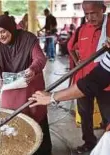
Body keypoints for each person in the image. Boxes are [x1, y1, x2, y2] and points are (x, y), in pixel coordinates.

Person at [0, 15, 52, 155]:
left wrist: (33, 69)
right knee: (13, 123)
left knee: (37, 121)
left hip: (31, 87)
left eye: (3, 31)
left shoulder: (28, 39)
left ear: (11, 28)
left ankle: (43, 151)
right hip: (11, 89)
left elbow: (40, 58)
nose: (1, 36)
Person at [29, 50, 110, 155]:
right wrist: (53, 96)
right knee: (85, 113)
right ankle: (89, 142)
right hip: (85, 78)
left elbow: (93, 82)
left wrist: (53, 97)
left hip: (103, 88)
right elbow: (95, 80)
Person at [66, 1, 110, 153]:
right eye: (87, 14)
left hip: (106, 83)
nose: (90, 17)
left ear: (103, 9)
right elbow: (71, 47)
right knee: (85, 114)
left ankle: (107, 146)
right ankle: (89, 142)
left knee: (108, 116)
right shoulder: (81, 30)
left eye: (94, 13)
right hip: (84, 80)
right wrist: (77, 60)